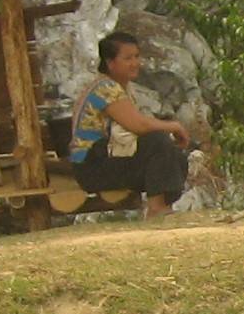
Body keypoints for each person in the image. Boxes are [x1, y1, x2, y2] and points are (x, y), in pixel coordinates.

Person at [70, 31, 190, 219]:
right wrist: (174, 126)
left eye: (136, 56)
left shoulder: (122, 88)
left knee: (175, 155)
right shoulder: (106, 88)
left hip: (107, 158)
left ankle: (163, 207)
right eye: (128, 58)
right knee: (157, 141)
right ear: (110, 63)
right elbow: (139, 126)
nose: (135, 63)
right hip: (92, 166)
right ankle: (156, 209)